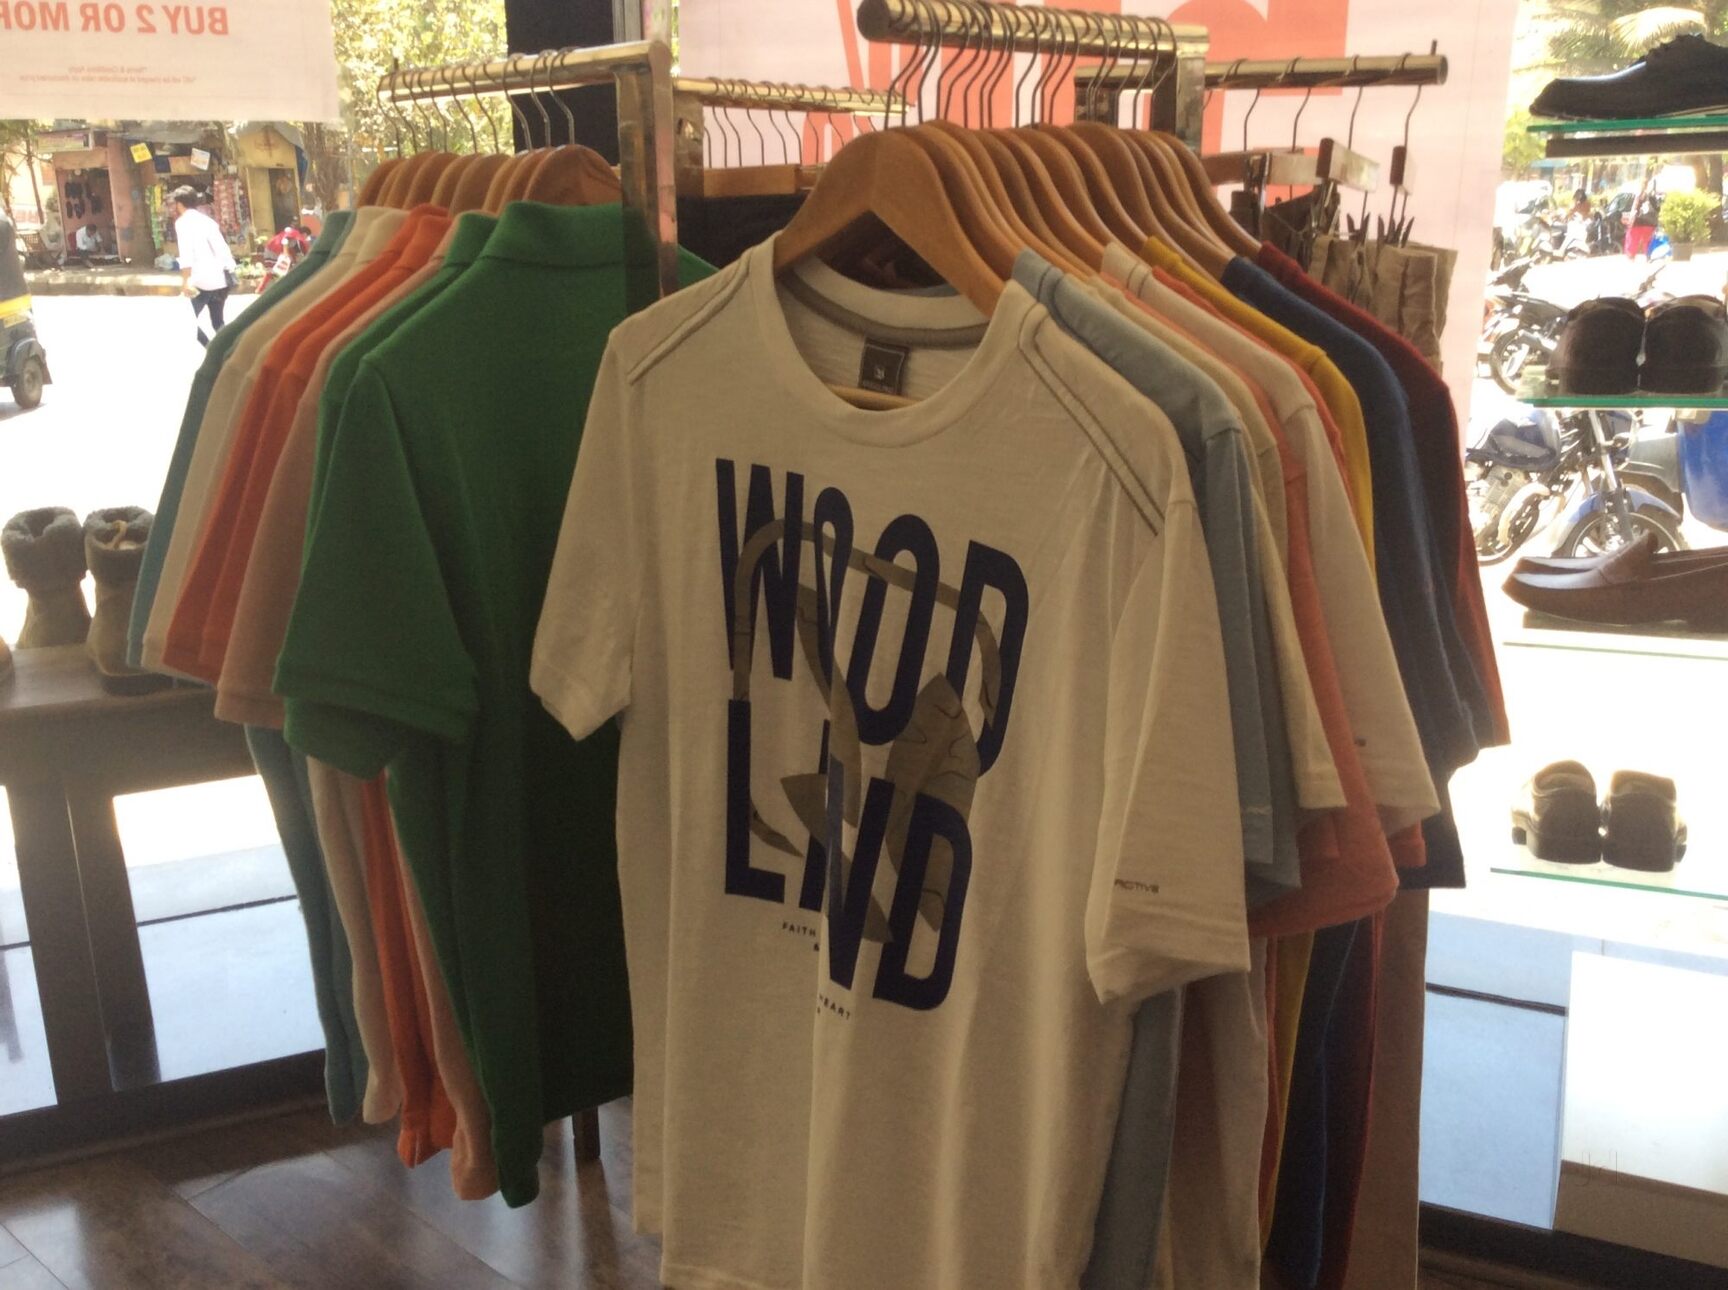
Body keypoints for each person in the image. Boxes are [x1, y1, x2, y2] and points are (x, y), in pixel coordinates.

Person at [170, 185, 236, 347]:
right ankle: (231, 350)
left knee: (187, 321)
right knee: (218, 322)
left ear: (179, 204)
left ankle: (210, 349)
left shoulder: (183, 223)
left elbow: (187, 256)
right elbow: (223, 249)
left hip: (201, 281)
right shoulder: (208, 221)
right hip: (222, 279)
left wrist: (185, 282)